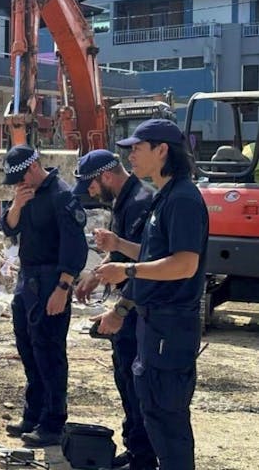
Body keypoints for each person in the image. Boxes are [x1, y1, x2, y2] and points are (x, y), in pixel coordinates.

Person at [92, 119, 207, 470]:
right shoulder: (166, 196)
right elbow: (154, 254)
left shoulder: (184, 199)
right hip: (153, 325)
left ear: (162, 151)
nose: (130, 157)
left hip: (170, 329)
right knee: (154, 413)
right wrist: (120, 247)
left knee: (168, 422)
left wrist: (126, 270)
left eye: (137, 149)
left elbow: (184, 264)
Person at [73, 150, 157, 470]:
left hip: (141, 311)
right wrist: (94, 277)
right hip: (131, 308)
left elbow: (144, 266)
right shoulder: (124, 202)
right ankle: (137, 451)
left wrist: (119, 313)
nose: (91, 192)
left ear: (106, 177)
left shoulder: (140, 202)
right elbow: (121, 257)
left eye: (91, 186)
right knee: (125, 381)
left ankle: (145, 459)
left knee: (138, 389)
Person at [0, 145, 87, 448]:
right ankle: (33, 414)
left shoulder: (61, 195)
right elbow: (9, 229)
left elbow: (75, 247)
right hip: (28, 280)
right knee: (28, 349)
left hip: (51, 280)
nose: (19, 185)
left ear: (34, 167)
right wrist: (16, 206)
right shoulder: (26, 195)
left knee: (49, 353)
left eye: (21, 178)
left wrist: (63, 288)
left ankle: (52, 422)